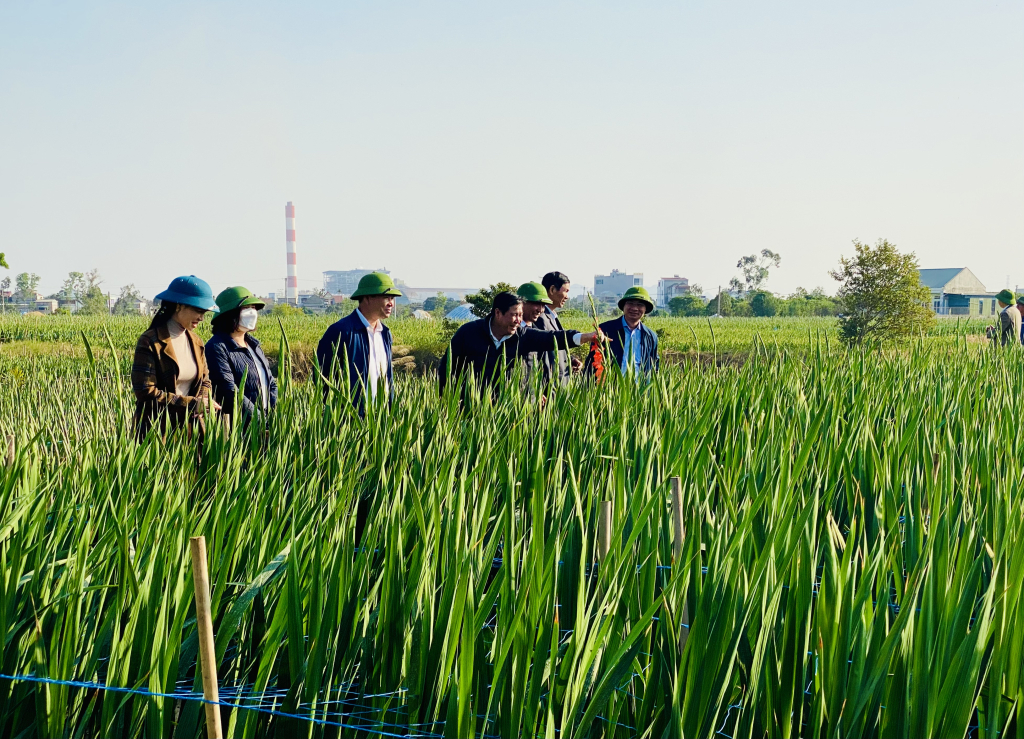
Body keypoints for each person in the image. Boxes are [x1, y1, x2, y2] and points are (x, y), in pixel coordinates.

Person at [440, 291, 602, 395]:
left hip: (513, 410)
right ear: (498, 313)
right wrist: (446, 399)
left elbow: (554, 338)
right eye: (514, 315)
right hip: (473, 409)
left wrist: (587, 337)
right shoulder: (468, 333)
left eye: (520, 315)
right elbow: (447, 369)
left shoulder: (522, 335)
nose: (518, 321)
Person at [131, 275, 219, 442]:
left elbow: (205, 380)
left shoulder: (196, 342)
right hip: (156, 434)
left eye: (204, 313)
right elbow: (145, 392)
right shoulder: (151, 341)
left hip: (191, 431)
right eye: (198, 311)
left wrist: (203, 401)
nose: (201, 318)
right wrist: (192, 404)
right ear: (179, 306)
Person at [316, 271, 401, 411]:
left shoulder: (385, 334)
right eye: (387, 298)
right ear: (367, 298)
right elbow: (322, 377)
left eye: (392, 298)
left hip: (382, 420)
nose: (391, 303)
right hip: (351, 420)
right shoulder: (342, 331)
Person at [206, 286, 277, 426]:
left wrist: (272, 416)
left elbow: (271, 383)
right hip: (238, 426)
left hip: (265, 424)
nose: (252, 312)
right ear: (229, 314)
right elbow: (229, 390)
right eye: (246, 308)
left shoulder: (254, 346)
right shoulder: (217, 347)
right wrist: (259, 420)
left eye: (253, 308)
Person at [585, 286, 660, 378]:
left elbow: (654, 366)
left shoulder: (650, 336)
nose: (635, 308)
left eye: (640, 305)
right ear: (623, 306)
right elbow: (592, 361)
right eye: (630, 303)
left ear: (645, 309)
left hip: (639, 389)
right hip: (610, 387)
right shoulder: (605, 330)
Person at [533, 271, 580, 385]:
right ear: (552, 290)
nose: (567, 297)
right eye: (566, 291)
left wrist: (570, 358)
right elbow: (542, 355)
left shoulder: (552, 317)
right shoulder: (541, 318)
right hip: (550, 386)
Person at [516, 282, 551, 381]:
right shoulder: (509, 332)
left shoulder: (538, 332)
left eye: (543, 305)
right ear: (521, 304)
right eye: (536, 304)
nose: (540, 310)